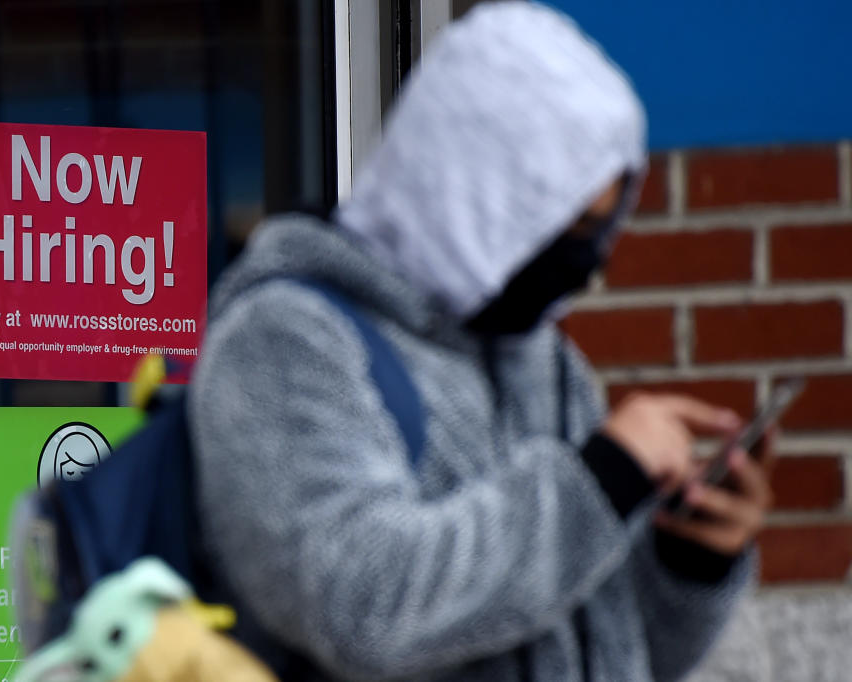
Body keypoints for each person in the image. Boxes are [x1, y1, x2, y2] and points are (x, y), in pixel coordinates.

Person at [187, 2, 772, 680]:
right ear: (472, 192)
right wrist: (600, 483)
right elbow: (356, 605)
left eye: (598, 228)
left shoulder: (546, 363)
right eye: (564, 224)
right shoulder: (286, 340)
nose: (588, 261)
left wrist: (692, 560)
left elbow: (612, 650)